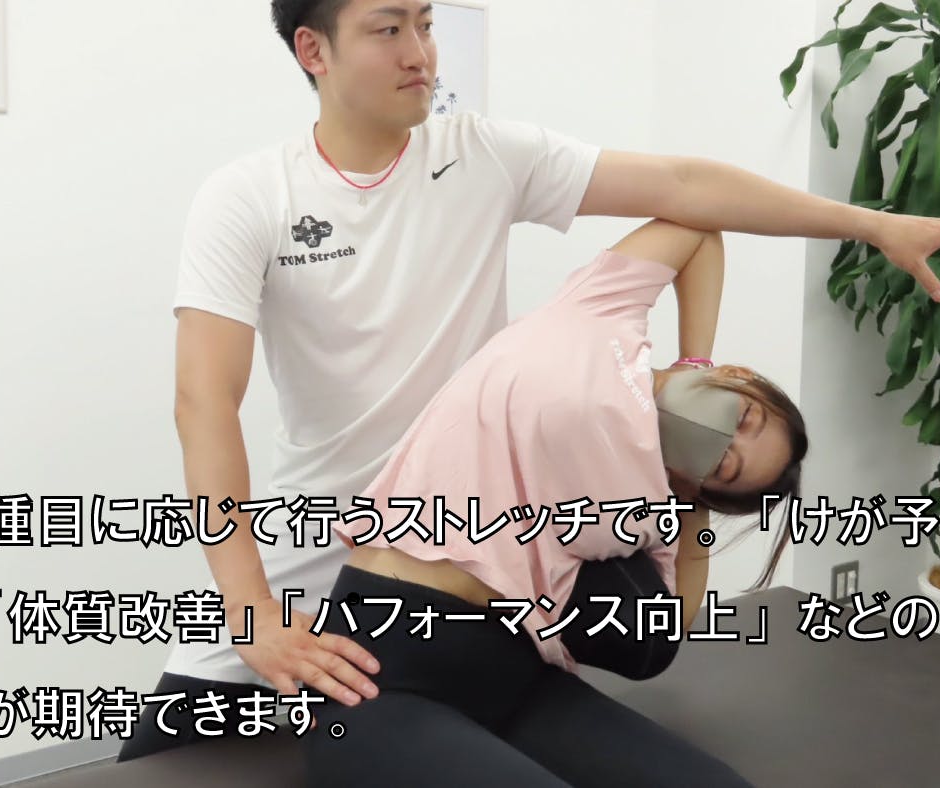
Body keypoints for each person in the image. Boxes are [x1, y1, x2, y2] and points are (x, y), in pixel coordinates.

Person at [117, 0, 940, 763]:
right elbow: (205, 403)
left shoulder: (480, 156)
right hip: (311, 565)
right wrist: (252, 614)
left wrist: (870, 225)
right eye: (388, 29)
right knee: (150, 764)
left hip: (478, 573)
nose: (421, 53)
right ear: (314, 50)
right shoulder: (250, 197)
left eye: (426, 23)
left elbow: (685, 188)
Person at [299, 218, 802, 786]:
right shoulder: (602, 313)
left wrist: (694, 504)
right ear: (740, 378)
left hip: (516, 678)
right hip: (384, 675)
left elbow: (663, 634)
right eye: (745, 416)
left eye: (727, 463)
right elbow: (697, 226)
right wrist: (696, 365)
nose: (723, 435)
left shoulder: (647, 511)